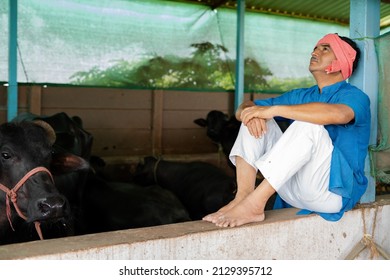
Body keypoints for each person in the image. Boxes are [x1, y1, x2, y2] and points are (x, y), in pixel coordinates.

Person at [203, 33, 371, 227]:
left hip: (332, 193)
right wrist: (251, 113)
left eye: (325, 48)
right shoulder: (302, 95)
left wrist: (273, 110)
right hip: (291, 190)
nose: (315, 51)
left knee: (306, 125)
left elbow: (340, 114)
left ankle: (255, 204)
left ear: (342, 61)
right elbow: (244, 109)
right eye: (316, 47)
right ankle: (243, 196)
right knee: (253, 117)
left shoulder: (355, 96)